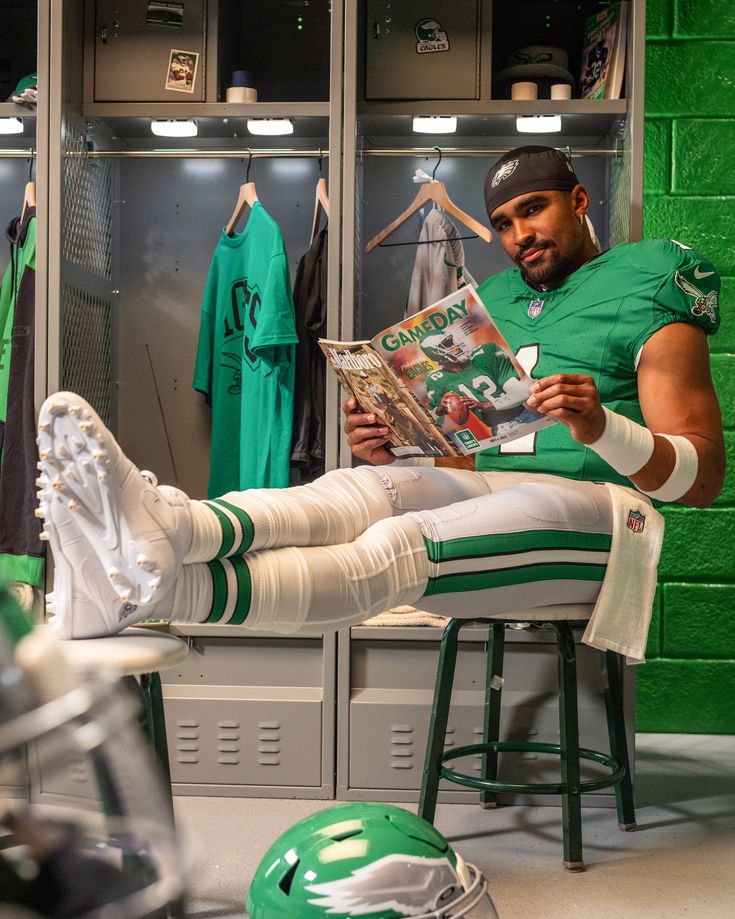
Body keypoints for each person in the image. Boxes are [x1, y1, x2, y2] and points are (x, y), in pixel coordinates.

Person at [37, 146, 724, 656]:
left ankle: (158, 591)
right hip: (498, 492)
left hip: (607, 519)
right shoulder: (498, 300)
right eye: (504, 222)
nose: (518, 236)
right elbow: (472, 467)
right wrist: (397, 440)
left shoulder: (645, 278)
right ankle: (175, 528)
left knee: (397, 543)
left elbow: (699, 480)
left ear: (577, 201)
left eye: (533, 210)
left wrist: (601, 425)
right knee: (354, 490)